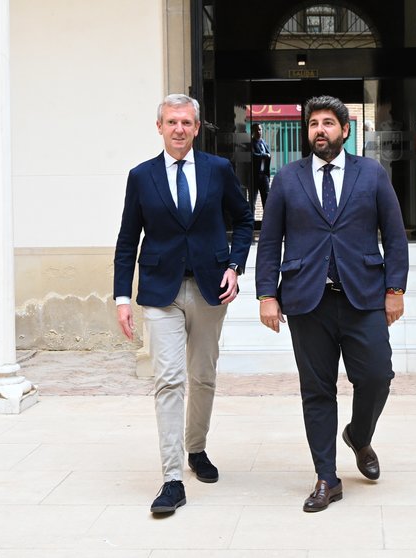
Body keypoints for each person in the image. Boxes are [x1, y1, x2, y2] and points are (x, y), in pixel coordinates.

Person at [255, 95, 409, 512]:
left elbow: (395, 236)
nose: (319, 130)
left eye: (328, 123)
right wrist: (267, 295)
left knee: (378, 375)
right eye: (313, 124)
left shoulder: (371, 174)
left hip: (363, 297)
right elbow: (269, 242)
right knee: (317, 391)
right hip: (308, 301)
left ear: (344, 130)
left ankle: (359, 436)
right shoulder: (288, 179)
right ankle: (327, 476)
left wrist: (395, 290)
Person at [114, 93, 254, 514]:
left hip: (211, 289)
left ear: (196, 128)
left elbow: (244, 219)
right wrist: (122, 295)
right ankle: (172, 477)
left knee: (203, 376)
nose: (179, 129)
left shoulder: (218, 170)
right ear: (159, 127)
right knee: (169, 380)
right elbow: (127, 240)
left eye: (186, 123)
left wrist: (235, 265)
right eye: (171, 122)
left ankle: (197, 449)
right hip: (161, 292)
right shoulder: (141, 176)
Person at [249, 123, 271, 212]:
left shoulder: (264, 143)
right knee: (252, 201)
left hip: (264, 175)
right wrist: (265, 155)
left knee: (267, 202)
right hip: (254, 176)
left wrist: (268, 176)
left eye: (260, 129)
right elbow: (253, 155)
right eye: (257, 130)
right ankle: (252, 223)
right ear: (253, 131)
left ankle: (267, 223)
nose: (259, 131)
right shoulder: (251, 143)